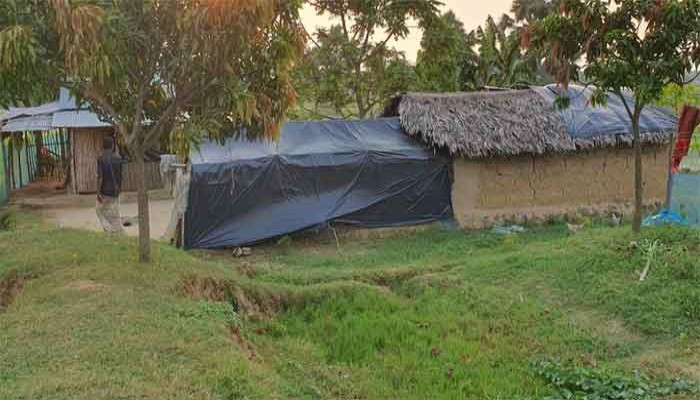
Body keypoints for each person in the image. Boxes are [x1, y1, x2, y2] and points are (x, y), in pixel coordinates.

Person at [96, 135, 125, 233]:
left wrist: (98, 192)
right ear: (112, 146)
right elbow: (120, 176)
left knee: (99, 210)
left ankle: (111, 230)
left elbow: (100, 177)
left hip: (105, 191)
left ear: (103, 146)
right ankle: (114, 231)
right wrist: (119, 189)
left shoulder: (101, 159)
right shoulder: (118, 159)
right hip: (115, 191)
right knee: (114, 213)